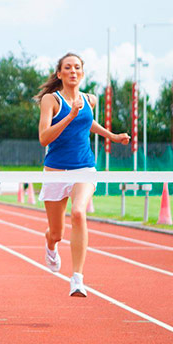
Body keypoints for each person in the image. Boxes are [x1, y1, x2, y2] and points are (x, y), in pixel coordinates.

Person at [35, 53, 129, 297]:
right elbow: (44, 138)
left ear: (82, 73)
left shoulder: (90, 99)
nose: (73, 71)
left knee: (78, 213)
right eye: (68, 68)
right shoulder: (50, 100)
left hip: (84, 168)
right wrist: (69, 115)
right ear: (60, 74)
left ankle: (77, 278)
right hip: (55, 171)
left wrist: (112, 136)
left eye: (77, 67)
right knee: (57, 232)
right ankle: (50, 244)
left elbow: (88, 124)